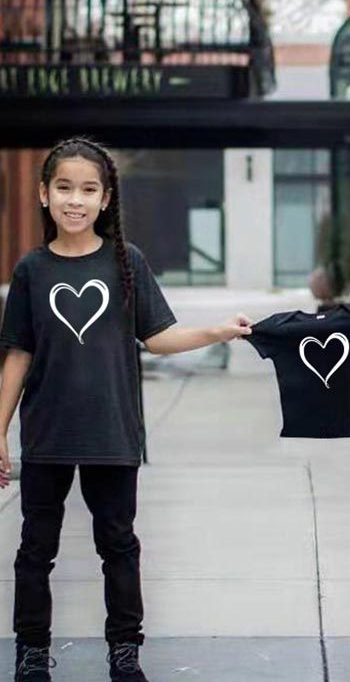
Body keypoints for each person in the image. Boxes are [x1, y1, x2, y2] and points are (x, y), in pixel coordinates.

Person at [0, 137, 253, 682]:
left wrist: (217, 331)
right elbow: (18, 354)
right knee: (34, 551)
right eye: (64, 188)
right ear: (43, 194)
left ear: (106, 197)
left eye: (88, 189)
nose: (75, 200)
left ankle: (124, 653)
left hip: (112, 435)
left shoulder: (126, 263)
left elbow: (158, 337)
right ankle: (32, 655)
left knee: (118, 545)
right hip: (46, 436)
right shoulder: (31, 270)